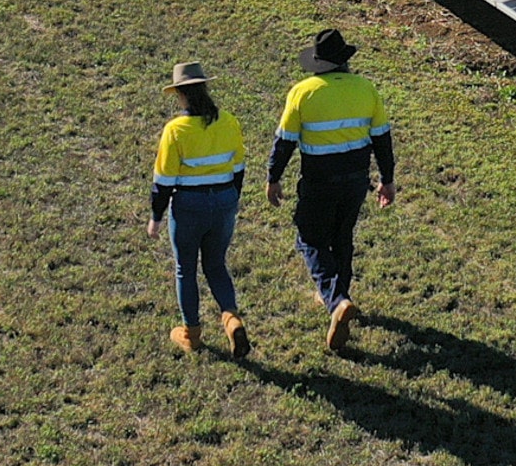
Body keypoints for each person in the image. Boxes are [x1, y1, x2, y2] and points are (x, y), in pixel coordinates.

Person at [264, 27, 394, 354]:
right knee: (342, 237)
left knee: (309, 238)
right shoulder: (367, 89)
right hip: (355, 180)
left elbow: (285, 142)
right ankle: (339, 297)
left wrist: (273, 176)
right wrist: (387, 179)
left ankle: (336, 300)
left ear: (319, 65)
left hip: (319, 180)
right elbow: (382, 138)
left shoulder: (303, 92)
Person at [149, 62, 249, 357]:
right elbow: (239, 168)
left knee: (186, 269)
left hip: (189, 206)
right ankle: (231, 318)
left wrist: (156, 216)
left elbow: (163, 180)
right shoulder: (228, 121)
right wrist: (230, 200)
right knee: (216, 265)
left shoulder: (176, 130)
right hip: (223, 201)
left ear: (180, 94)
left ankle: (191, 334)